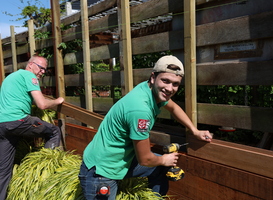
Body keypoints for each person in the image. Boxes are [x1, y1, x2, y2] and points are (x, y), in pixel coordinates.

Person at [78, 55, 213, 200]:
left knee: (159, 168)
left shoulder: (149, 89)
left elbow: (173, 108)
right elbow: (145, 160)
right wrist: (164, 160)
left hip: (118, 160)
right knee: (160, 163)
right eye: (165, 81)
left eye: (175, 84)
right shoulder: (140, 110)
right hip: (101, 172)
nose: (169, 88)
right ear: (153, 77)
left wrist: (194, 131)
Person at [0, 55, 64, 200]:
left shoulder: (11, 77)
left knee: (3, 171)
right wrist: (57, 101)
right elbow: (42, 104)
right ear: (30, 65)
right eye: (41, 68)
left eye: (45, 70)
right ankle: (45, 172)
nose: (42, 72)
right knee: (54, 131)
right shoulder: (29, 76)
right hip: (18, 121)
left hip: (2, 125)